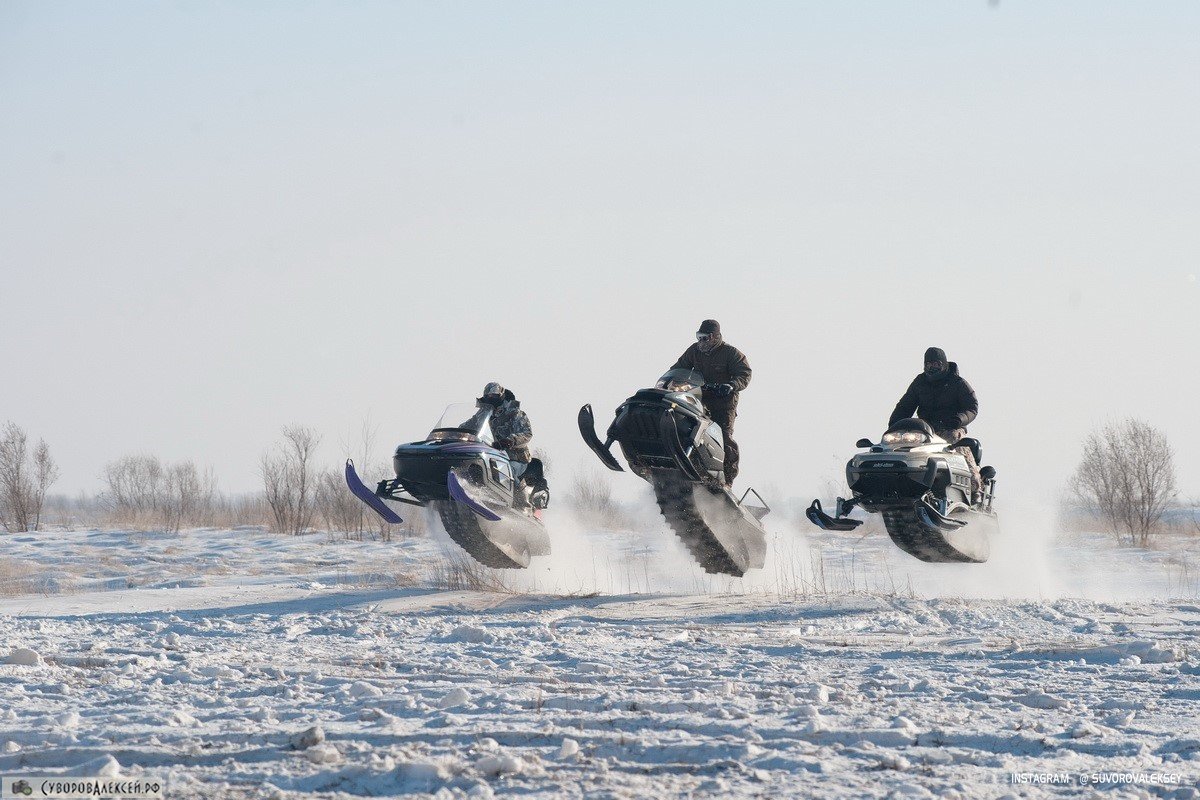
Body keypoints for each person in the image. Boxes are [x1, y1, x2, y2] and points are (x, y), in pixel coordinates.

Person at [888, 347, 982, 502]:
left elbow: (972, 406)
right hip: (925, 430)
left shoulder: (957, 382)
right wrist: (894, 425)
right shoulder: (920, 382)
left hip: (951, 427)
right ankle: (905, 483)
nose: (932, 368)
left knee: (954, 441)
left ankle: (974, 487)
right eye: (928, 365)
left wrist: (959, 419)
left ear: (944, 364)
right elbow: (905, 405)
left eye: (936, 364)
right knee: (900, 445)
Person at [670, 319, 752, 487]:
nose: (701, 342)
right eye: (698, 337)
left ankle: (727, 481)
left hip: (723, 403)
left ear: (714, 337)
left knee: (724, 439)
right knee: (684, 426)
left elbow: (744, 374)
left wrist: (731, 385)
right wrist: (670, 381)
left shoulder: (731, 353)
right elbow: (678, 367)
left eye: (704, 338)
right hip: (699, 399)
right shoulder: (694, 351)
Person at [478, 382, 549, 508]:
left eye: (494, 397)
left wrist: (511, 441)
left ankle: (520, 503)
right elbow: (470, 425)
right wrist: (457, 433)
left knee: (507, 469)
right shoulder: (483, 414)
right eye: (488, 397)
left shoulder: (514, 413)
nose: (491, 400)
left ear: (500, 396)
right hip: (491, 454)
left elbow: (527, 433)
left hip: (517, 457)